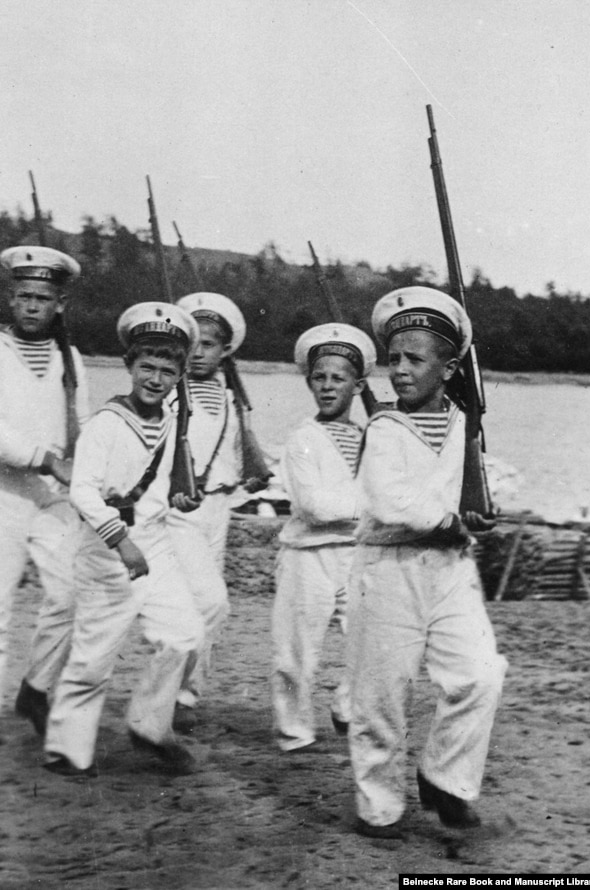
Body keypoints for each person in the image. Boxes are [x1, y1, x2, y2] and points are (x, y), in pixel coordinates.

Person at [348, 286, 507, 838]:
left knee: (480, 675)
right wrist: (456, 518)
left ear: (450, 367)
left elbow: (485, 481)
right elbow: (390, 501)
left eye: (416, 359)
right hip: (387, 568)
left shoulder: (467, 426)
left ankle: (447, 777)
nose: (400, 371)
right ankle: (379, 804)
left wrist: (486, 511)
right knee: (381, 693)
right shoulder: (383, 429)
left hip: (451, 571)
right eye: (394, 359)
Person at [44, 302, 204, 778]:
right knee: (95, 655)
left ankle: (150, 726)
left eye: (167, 371)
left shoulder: (172, 420)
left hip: (152, 540)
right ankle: (66, 751)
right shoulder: (106, 424)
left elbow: (160, 485)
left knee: (184, 634)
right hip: (106, 548)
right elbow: (82, 492)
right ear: (129, 367)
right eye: (147, 368)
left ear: (179, 375)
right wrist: (121, 542)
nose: (156, 379)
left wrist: (180, 497)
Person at [0, 245, 90, 745]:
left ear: (60, 304)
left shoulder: (71, 358)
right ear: (11, 299)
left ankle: (36, 686)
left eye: (43, 298)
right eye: (23, 296)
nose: (32, 306)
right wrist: (48, 458)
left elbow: (83, 428)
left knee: (70, 591)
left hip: (51, 493)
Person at [270, 322, 376, 753]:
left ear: (359, 384)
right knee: (296, 651)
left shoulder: (373, 436)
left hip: (358, 554)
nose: (328, 387)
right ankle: (292, 730)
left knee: (369, 640)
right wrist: (371, 506)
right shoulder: (302, 439)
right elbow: (315, 507)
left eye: (339, 378)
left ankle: (347, 708)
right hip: (307, 555)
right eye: (320, 378)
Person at [166, 292, 248, 732]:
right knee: (211, 602)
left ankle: (187, 693)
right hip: (179, 508)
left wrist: (247, 476)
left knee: (203, 603)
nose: (199, 352)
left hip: (219, 505)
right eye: (193, 342)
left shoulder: (230, 394)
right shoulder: (169, 390)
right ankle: (173, 690)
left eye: (210, 344)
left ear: (225, 350)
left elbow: (235, 448)